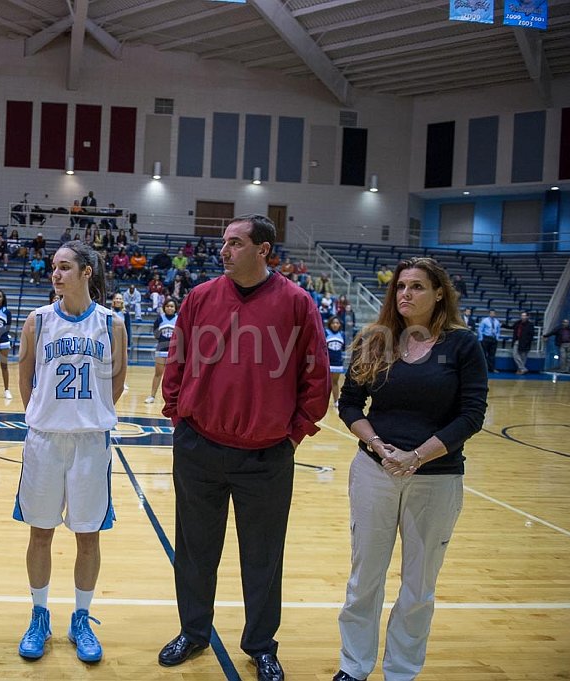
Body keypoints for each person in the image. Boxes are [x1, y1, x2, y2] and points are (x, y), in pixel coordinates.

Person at [157, 214, 330, 681]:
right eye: (224, 242)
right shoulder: (200, 297)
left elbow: (317, 377)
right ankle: (194, 632)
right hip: (199, 448)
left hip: (266, 455)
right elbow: (177, 359)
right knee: (195, 550)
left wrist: (294, 433)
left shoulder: (297, 303)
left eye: (235, 242)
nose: (225, 250)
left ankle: (260, 645)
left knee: (263, 555)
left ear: (264, 250)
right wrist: (178, 415)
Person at [333, 256, 488, 681]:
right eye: (401, 286)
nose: (406, 294)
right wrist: (378, 445)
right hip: (374, 472)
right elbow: (349, 403)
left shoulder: (462, 345)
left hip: (436, 477)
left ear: (439, 293)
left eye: (417, 286)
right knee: (365, 578)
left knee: (419, 586)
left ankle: (401, 671)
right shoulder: (375, 339)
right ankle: (354, 665)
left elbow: (472, 415)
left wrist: (417, 455)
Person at [13, 240, 127, 664]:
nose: (55, 274)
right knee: (40, 532)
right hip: (45, 441)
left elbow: (115, 384)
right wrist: (45, 416)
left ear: (86, 272)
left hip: (90, 443)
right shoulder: (37, 321)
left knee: (87, 535)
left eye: (63, 268)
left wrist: (88, 414)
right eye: (53, 268)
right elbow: (25, 380)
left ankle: (81, 618)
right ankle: (39, 615)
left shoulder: (112, 323)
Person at [145, 299, 177, 405]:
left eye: (172, 306)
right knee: (158, 374)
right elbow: (155, 333)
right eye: (167, 306)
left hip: (175, 351)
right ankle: (152, 396)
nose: (169, 308)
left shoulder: (179, 318)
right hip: (161, 349)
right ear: (164, 307)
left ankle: (173, 398)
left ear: (175, 308)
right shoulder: (160, 319)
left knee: (174, 375)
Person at [325, 315, 347, 407]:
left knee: (335, 382)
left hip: (338, 363)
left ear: (339, 325)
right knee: (326, 383)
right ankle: (324, 401)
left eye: (337, 323)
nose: (335, 325)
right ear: (330, 324)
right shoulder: (326, 332)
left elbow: (344, 347)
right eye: (333, 323)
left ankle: (336, 401)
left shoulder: (342, 334)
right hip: (328, 362)